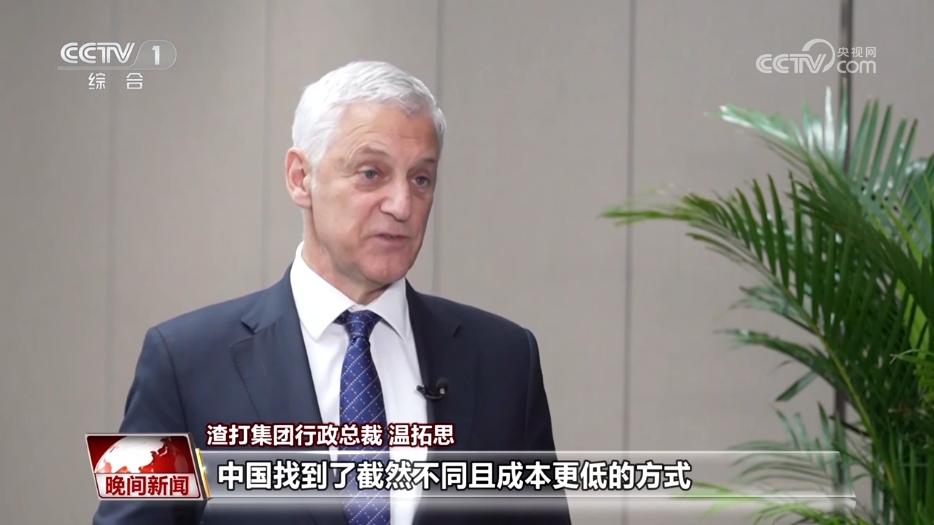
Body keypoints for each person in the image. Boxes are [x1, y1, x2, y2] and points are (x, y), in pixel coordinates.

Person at [92, 61, 571, 525]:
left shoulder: (506, 360)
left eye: (421, 178)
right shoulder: (180, 362)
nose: (402, 204)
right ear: (301, 178)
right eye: (371, 173)